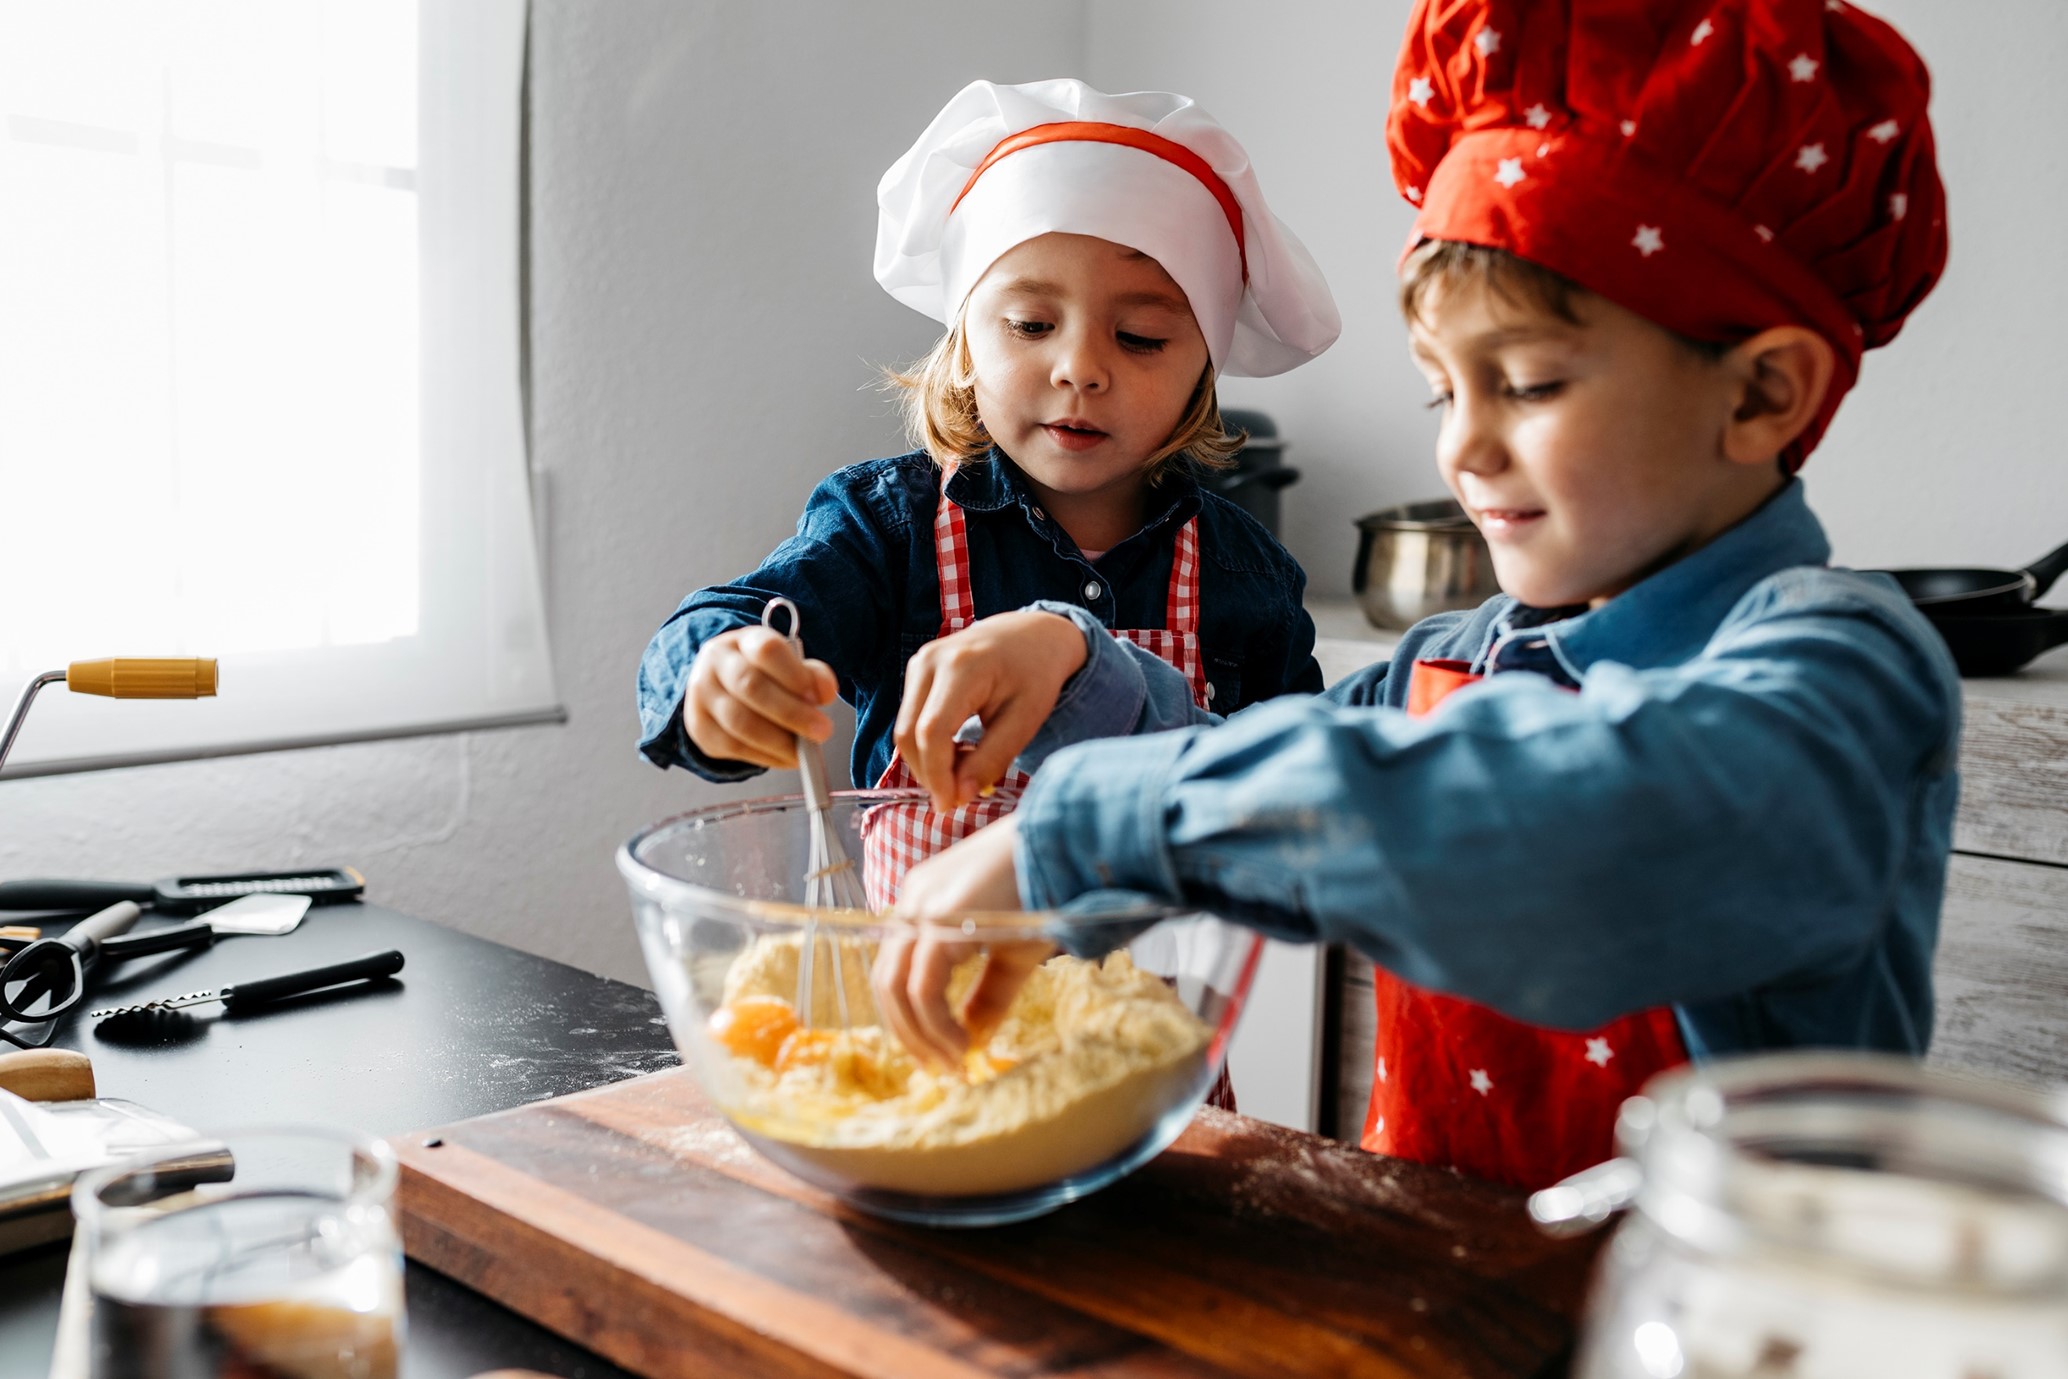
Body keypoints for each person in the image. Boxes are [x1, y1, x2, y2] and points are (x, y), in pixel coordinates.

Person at [873, 0, 1957, 1191]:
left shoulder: (1840, 676)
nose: (1463, 453)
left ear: (1760, 399)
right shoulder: (1458, 659)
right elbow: (1254, 775)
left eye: (1529, 385)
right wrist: (1080, 660)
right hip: (1431, 1294)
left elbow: (1571, 818)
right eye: (1445, 395)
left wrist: (1086, 827)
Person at [635, 78, 1340, 911]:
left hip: (1151, 1033)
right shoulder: (887, 531)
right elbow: (728, 618)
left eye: (1141, 336)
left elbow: (1311, 805)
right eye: (1032, 325)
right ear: (965, 343)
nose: (1079, 366)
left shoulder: (1246, 576)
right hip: (926, 1023)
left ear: (1205, 367)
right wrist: (718, 675)